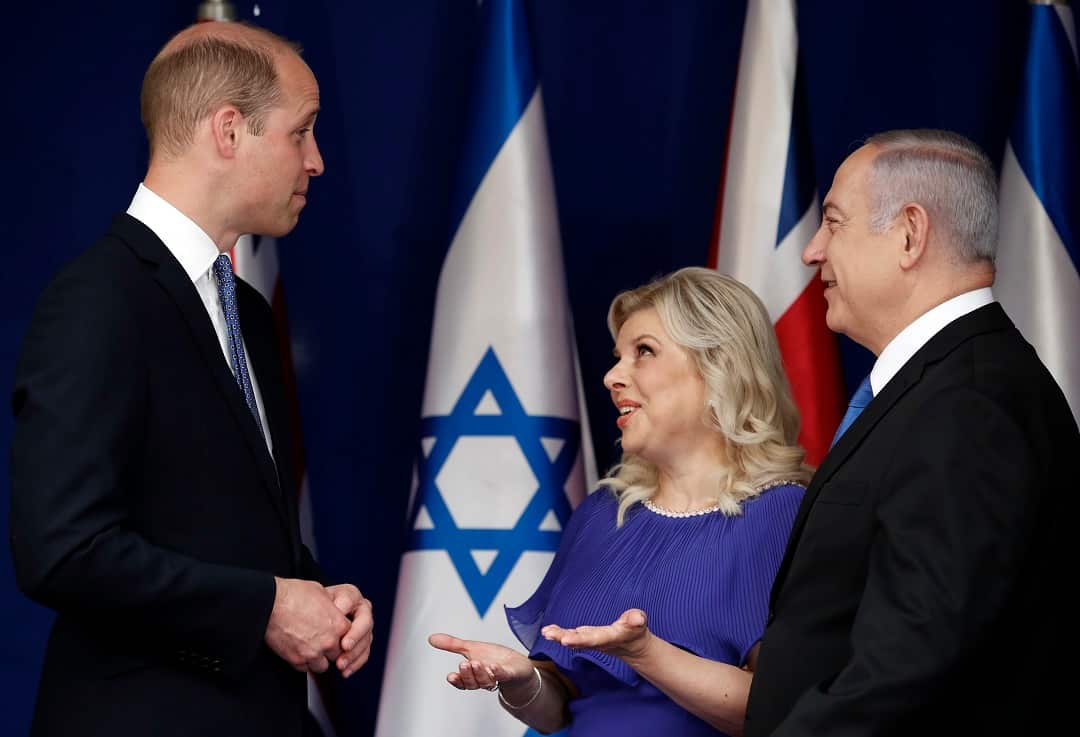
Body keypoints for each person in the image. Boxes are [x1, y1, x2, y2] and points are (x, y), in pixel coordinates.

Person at [9, 21, 373, 737]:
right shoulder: (98, 299)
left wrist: (314, 596)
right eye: (301, 133)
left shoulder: (245, 311)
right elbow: (62, 549)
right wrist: (267, 606)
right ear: (229, 131)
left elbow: (221, 528)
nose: (318, 161)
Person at [743, 129, 1080, 736]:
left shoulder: (970, 405)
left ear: (909, 234)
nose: (811, 250)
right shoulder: (948, 387)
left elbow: (911, 659)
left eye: (834, 222)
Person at [429, 267, 811, 736]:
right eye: (617, 357)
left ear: (718, 369)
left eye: (644, 352)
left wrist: (647, 654)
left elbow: (783, 709)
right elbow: (560, 709)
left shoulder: (783, 513)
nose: (612, 376)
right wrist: (521, 680)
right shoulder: (603, 513)